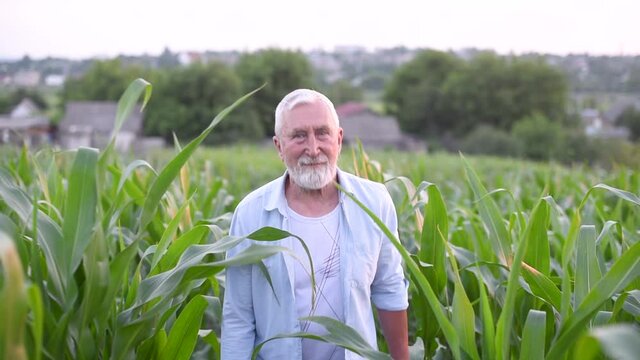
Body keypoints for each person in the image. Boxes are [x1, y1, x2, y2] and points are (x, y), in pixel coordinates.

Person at [221, 89, 409, 360]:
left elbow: (390, 290)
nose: (313, 148)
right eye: (298, 136)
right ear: (278, 146)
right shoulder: (251, 214)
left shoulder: (374, 203)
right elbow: (238, 315)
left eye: (322, 133)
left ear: (339, 139)